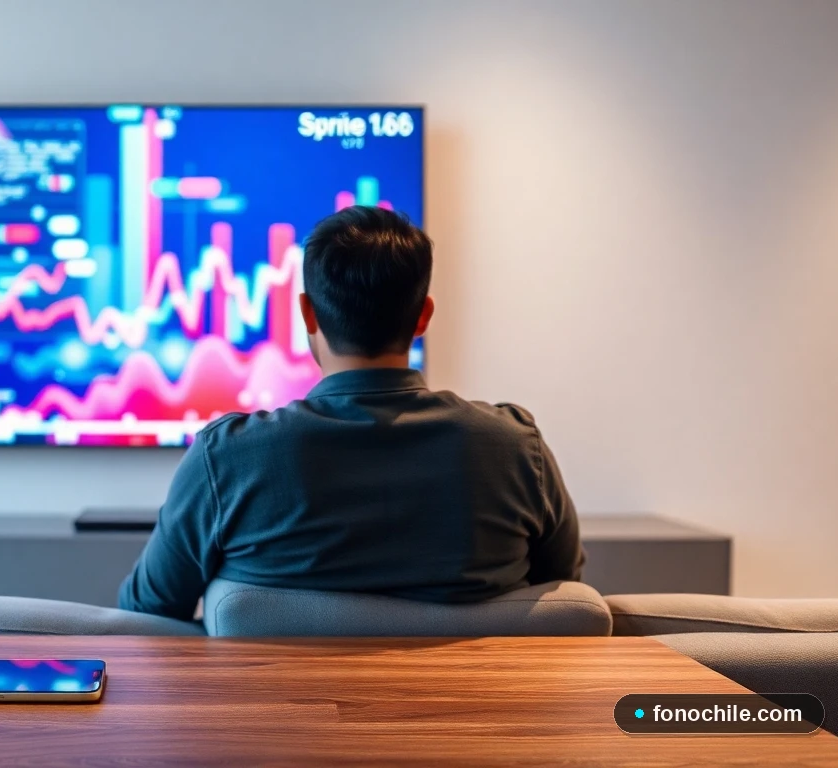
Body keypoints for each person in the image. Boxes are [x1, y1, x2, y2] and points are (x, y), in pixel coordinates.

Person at [118, 206, 583, 620]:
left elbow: (147, 616)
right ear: (423, 316)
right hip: (473, 716)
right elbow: (562, 593)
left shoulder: (228, 459)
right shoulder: (516, 450)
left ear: (307, 314)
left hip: (276, 717)